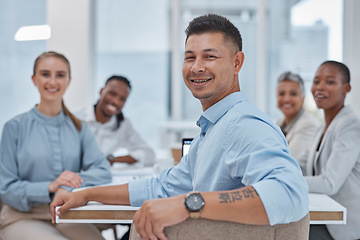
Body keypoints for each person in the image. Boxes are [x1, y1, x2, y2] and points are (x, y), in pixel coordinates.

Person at [51, 14, 309, 240]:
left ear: (236, 62)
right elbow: (160, 188)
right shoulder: (212, 131)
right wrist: (87, 194)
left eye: (210, 56)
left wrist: (189, 204)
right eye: (190, 57)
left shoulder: (244, 124)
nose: (197, 67)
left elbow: (288, 193)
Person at [0, 51, 112, 240]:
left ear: (68, 81)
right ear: (34, 79)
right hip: (22, 217)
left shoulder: (79, 128)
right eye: (45, 74)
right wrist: (50, 186)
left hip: (67, 216)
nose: (52, 82)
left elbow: (102, 171)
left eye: (60, 75)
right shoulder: (14, 128)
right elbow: (7, 189)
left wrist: (66, 187)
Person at [304, 61, 360, 240]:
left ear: (346, 88)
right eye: (316, 81)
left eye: (330, 82)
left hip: (344, 227)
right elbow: (303, 166)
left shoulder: (350, 125)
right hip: (325, 218)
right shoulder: (322, 128)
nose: (320, 88)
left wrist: (286, 181)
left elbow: (329, 183)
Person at [75, 75, 155, 166]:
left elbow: (148, 154)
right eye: (112, 94)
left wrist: (112, 159)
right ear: (101, 91)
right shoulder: (76, 117)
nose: (116, 102)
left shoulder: (123, 125)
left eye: (122, 99)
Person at [276, 71, 320, 174]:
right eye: (281, 94)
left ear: (303, 99)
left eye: (293, 94)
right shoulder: (279, 123)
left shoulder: (308, 125)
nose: (286, 99)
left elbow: (289, 163)